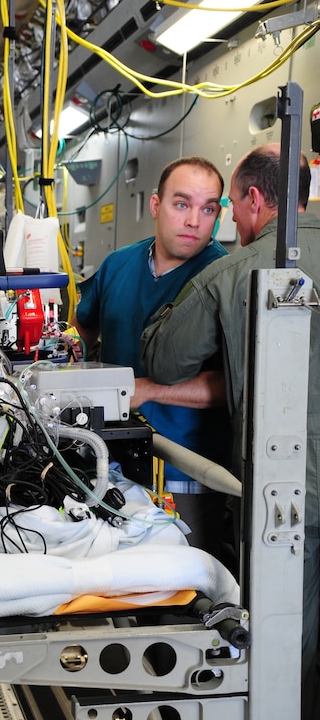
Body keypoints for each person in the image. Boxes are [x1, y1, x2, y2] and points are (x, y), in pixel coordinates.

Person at [141, 143, 318, 720]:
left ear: (254, 200)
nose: (224, 224)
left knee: (283, 639)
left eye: (227, 208)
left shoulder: (234, 270)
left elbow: (162, 358)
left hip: (293, 496)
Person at [75, 156, 232, 558]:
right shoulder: (118, 264)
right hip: (110, 460)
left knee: (189, 580)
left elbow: (232, 384)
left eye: (208, 208)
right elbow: (85, 321)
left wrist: (150, 390)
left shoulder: (224, 278)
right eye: (182, 204)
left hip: (187, 471)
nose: (195, 220)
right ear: (156, 205)